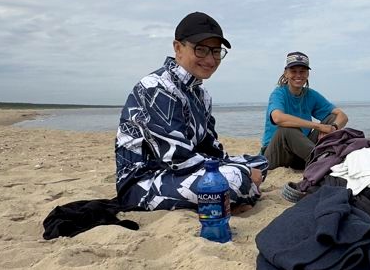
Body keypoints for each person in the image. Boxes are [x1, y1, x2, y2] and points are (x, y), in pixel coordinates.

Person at [115, 11, 268, 211]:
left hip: (184, 171)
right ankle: (236, 194)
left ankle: (236, 193)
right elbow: (178, 159)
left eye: (216, 51)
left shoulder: (201, 94)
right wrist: (242, 172)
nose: (211, 60)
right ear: (178, 48)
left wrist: (245, 168)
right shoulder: (156, 88)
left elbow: (212, 149)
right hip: (143, 181)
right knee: (236, 180)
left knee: (261, 162)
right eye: (201, 50)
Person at [261, 51, 349, 170]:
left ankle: (326, 156)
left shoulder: (311, 95)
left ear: (307, 74)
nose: (298, 75)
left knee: (332, 118)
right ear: (286, 73)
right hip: (277, 154)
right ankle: (325, 160)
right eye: (293, 71)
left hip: (300, 154)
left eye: (302, 71)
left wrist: (333, 128)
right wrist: (318, 127)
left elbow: (342, 116)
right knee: (286, 129)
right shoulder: (278, 93)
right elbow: (278, 118)